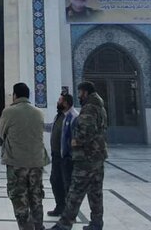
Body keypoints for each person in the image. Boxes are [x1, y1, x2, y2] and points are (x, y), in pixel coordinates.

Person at [50, 81, 108, 230]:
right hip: (98, 155)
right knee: (96, 192)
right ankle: (96, 223)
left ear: (86, 92)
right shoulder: (100, 107)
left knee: (75, 191)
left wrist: (76, 141)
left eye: (80, 92)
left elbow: (86, 130)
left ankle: (65, 224)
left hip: (86, 157)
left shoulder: (88, 108)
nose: (79, 96)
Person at [0, 83, 50, 230]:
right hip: (36, 162)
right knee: (36, 197)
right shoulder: (39, 112)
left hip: (17, 163)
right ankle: (38, 226)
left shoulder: (9, 112)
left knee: (19, 198)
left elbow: (2, 133)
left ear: (15, 95)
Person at [48, 93, 78, 217]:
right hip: (56, 155)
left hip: (66, 157)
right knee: (55, 180)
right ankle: (60, 206)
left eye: (60, 100)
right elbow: (52, 127)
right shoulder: (59, 116)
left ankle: (69, 212)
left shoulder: (74, 117)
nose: (58, 102)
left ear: (65, 103)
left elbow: (76, 136)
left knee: (68, 183)